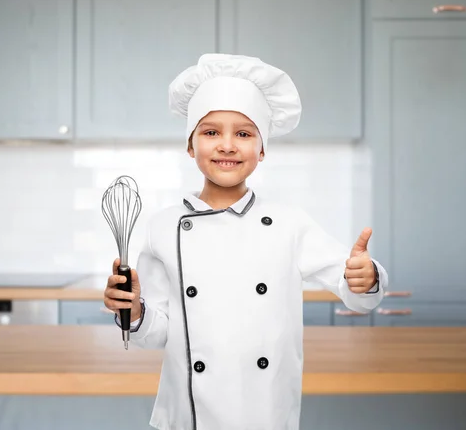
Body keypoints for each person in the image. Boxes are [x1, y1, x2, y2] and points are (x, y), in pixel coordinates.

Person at [104, 53, 389, 430]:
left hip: (265, 413)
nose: (227, 145)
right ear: (190, 145)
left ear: (262, 148)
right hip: (188, 418)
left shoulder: (289, 223)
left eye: (243, 133)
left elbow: (350, 285)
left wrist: (364, 277)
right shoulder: (163, 227)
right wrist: (134, 311)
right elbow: (158, 333)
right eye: (210, 132)